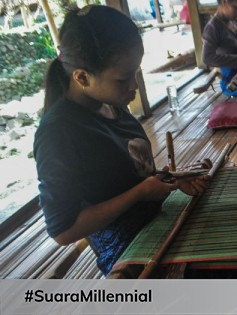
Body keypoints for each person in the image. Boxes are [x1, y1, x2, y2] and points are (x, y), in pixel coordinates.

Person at [34, 5, 210, 276]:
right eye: (123, 78)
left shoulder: (110, 104)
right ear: (82, 77)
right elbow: (63, 230)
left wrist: (172, 177)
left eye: (136, 72)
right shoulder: (58, 133)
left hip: (160, 223)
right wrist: (141, 192)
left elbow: (124, 178)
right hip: (130, 255)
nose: (134, 86)